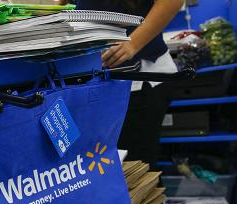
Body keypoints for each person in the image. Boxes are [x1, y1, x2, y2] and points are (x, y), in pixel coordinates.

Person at [71, 0, 184, 166]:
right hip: (98, 83)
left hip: (138, 81)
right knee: (106, 168)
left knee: (136, 169)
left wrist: (132, 43)